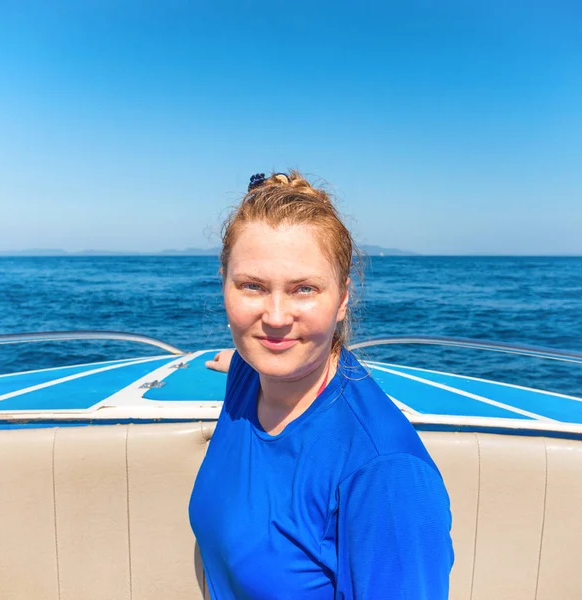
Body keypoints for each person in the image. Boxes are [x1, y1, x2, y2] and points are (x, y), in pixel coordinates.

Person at [189, 171, 453, 599]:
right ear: (224, 284)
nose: (275, 318)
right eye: (252, 286)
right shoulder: (248, 376)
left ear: (343, 297)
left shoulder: (384, 473)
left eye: (304, 289)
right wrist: (230, 359)